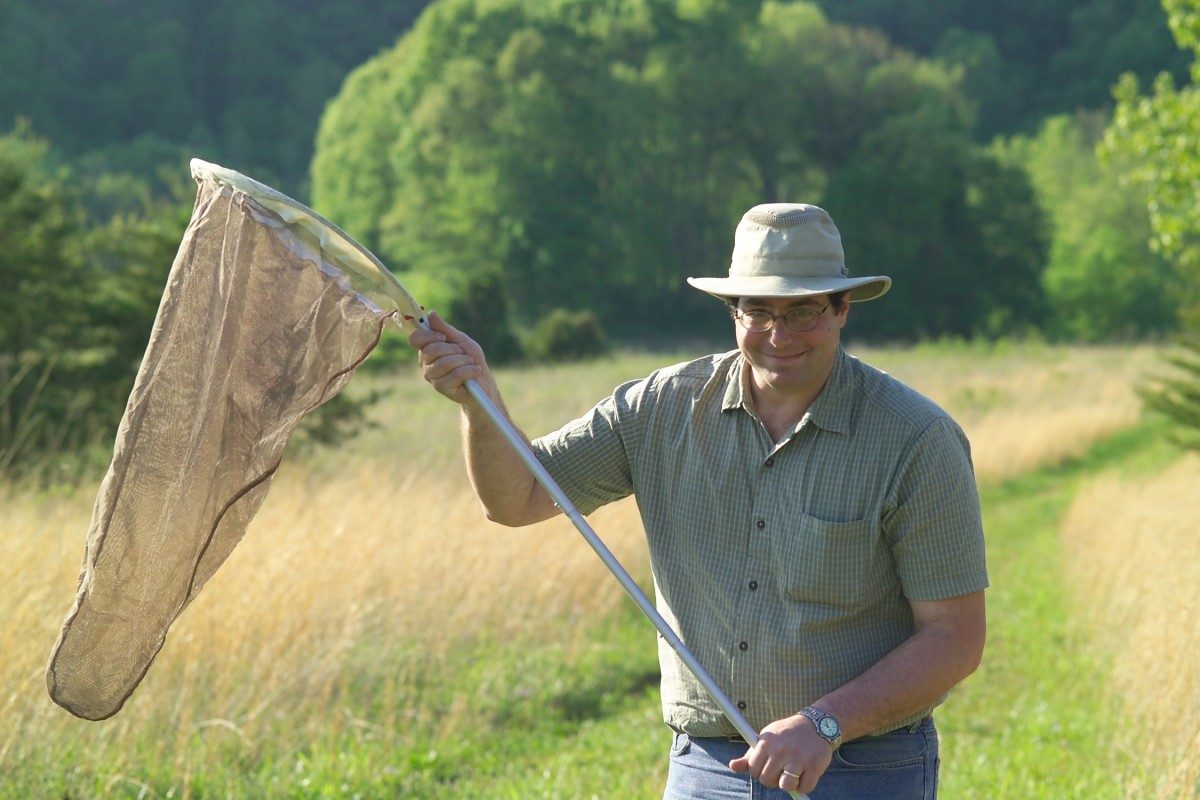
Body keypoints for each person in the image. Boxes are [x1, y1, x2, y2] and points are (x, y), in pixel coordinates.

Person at [408, 203, 988, 799]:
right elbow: (518, 497)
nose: (778, 335)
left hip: (864, 767)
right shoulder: (659, 408)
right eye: (757, 311)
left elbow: (954, 637)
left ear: (843, 308)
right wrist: (476, 400)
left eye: (804, 311)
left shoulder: (916, 439)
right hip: (709, 768)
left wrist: (824, 724)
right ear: (731, 311)